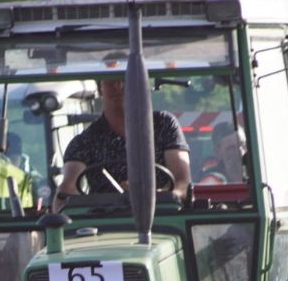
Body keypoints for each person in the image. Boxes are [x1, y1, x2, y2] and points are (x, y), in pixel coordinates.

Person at [56, 76, 190, 205]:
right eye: (111, 81)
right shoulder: (85, 141)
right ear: (100, 88)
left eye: (126, 80)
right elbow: (68, 187)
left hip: (162, 215)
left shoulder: (164, 125)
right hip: (103, 217)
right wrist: (63, 205)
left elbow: (182, 182)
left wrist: (159, 197)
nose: (119, 86)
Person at [197, 121, 247, 185]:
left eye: (243, 144)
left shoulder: (258, 170)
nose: (241, 152)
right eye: (231, 148)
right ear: (218, 152)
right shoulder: (211, 180)